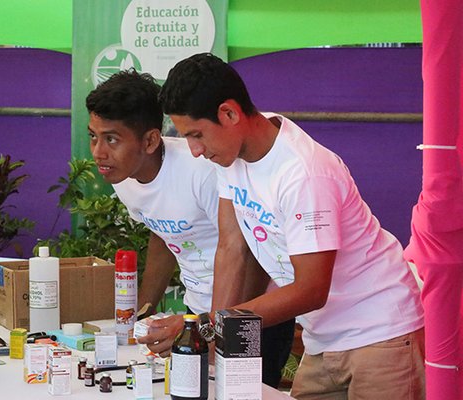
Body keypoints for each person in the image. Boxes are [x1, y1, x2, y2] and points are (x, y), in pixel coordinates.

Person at [159, 53, 425, 399]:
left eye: (197, 135)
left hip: (380, 332)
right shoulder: (232, 154)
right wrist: (213, 339)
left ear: (229, 113)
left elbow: (312, 289)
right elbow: (234, 248)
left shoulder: (304, 172)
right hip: (322, 340)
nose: (195, 150)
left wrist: (209, 325)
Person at [86, 69, 294, 388]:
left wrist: (218, 328)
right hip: (199, 315)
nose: (99, 152)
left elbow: (249, 250)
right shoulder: (122, 177)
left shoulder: (202, 171)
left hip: (249, 318)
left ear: (151, 140)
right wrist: (144, 310)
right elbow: (162, 232)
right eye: (93, 136)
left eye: (111, 139)